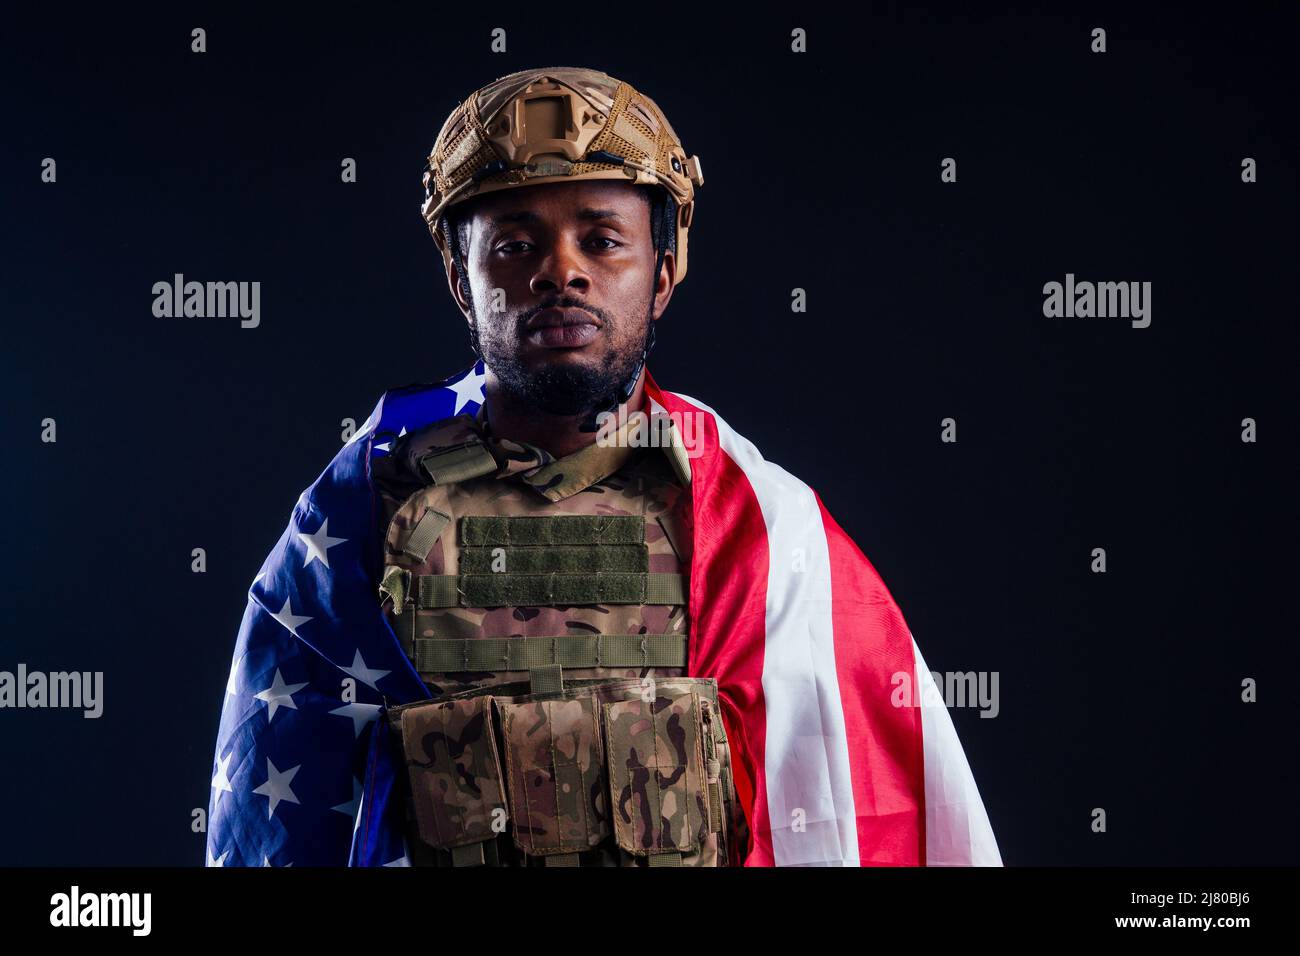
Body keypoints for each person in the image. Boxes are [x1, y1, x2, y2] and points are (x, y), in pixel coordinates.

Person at [206, 66, 1002, 868]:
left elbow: (865, 809)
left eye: (602, 239)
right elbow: (277, 818)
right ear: (461, 279)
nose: (561, 271)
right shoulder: (362, 509)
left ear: (662, 273)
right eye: (515, 246)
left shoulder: (759, 521)